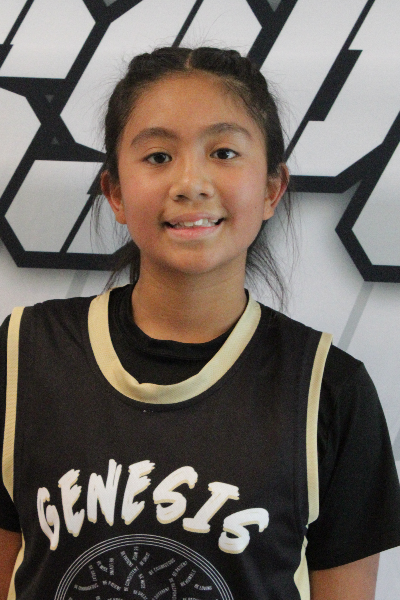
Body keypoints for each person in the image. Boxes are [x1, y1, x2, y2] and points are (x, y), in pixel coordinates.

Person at [1, 46, 399, 600]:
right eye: (159, 156)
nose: (191, 182)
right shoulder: (26, 353)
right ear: (115, 192)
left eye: (224, 152)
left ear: (272, 189)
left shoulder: (328, 390)